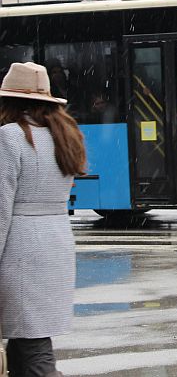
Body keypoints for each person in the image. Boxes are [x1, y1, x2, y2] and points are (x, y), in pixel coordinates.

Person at [0, 62, 87, 377]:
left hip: (21, 249)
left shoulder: (10, 136)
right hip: (56, 243)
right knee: (25, 343)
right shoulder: (64, 134)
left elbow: (1, 206)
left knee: (33, 348)